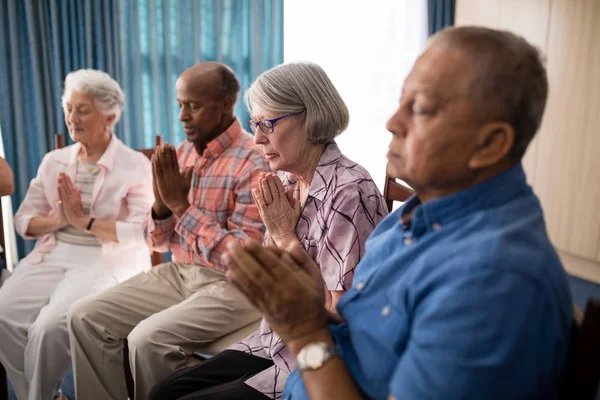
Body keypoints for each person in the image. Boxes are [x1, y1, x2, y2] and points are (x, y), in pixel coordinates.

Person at [223, 26, 573, 400]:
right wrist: (308, 304)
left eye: (420, 108)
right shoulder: (411, 217)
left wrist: (305, 330)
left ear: (489, 144)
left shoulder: (495, 276)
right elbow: (365, 329)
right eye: (400, 100)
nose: (392, 122)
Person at [149, 61, 389, 400]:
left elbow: (339, 315)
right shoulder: (287, 181)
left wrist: (285, 237)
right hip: (272, 340)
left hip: (319, 357)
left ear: (310, 118)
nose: (258, 138)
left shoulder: (349, 191)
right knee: (163, 391)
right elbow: (267, 275)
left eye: (267, 124)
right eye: (254, 124)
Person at [68, 62, 270, 400]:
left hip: (238, 286)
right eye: (180, 105)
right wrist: (162, 208)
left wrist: (180, 207)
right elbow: (157, 241)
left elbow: (244, 258)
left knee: (147, 339)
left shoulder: (255, 161)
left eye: (193, 105)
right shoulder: (180, 153)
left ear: (225, 104)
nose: (182, 116)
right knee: (84, 317)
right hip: (180, 272)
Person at [0, 69, 153, 400]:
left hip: (106, 258)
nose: (72, 118)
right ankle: (41, 396)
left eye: (83, 109)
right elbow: (23, 218)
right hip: (54, 251)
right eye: (69, 108)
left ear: (109, 116)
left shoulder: (135, 164)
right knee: (3, 315)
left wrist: (83, 220)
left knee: (47, 327)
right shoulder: (54, 160)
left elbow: (143, 231)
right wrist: (59, 220)